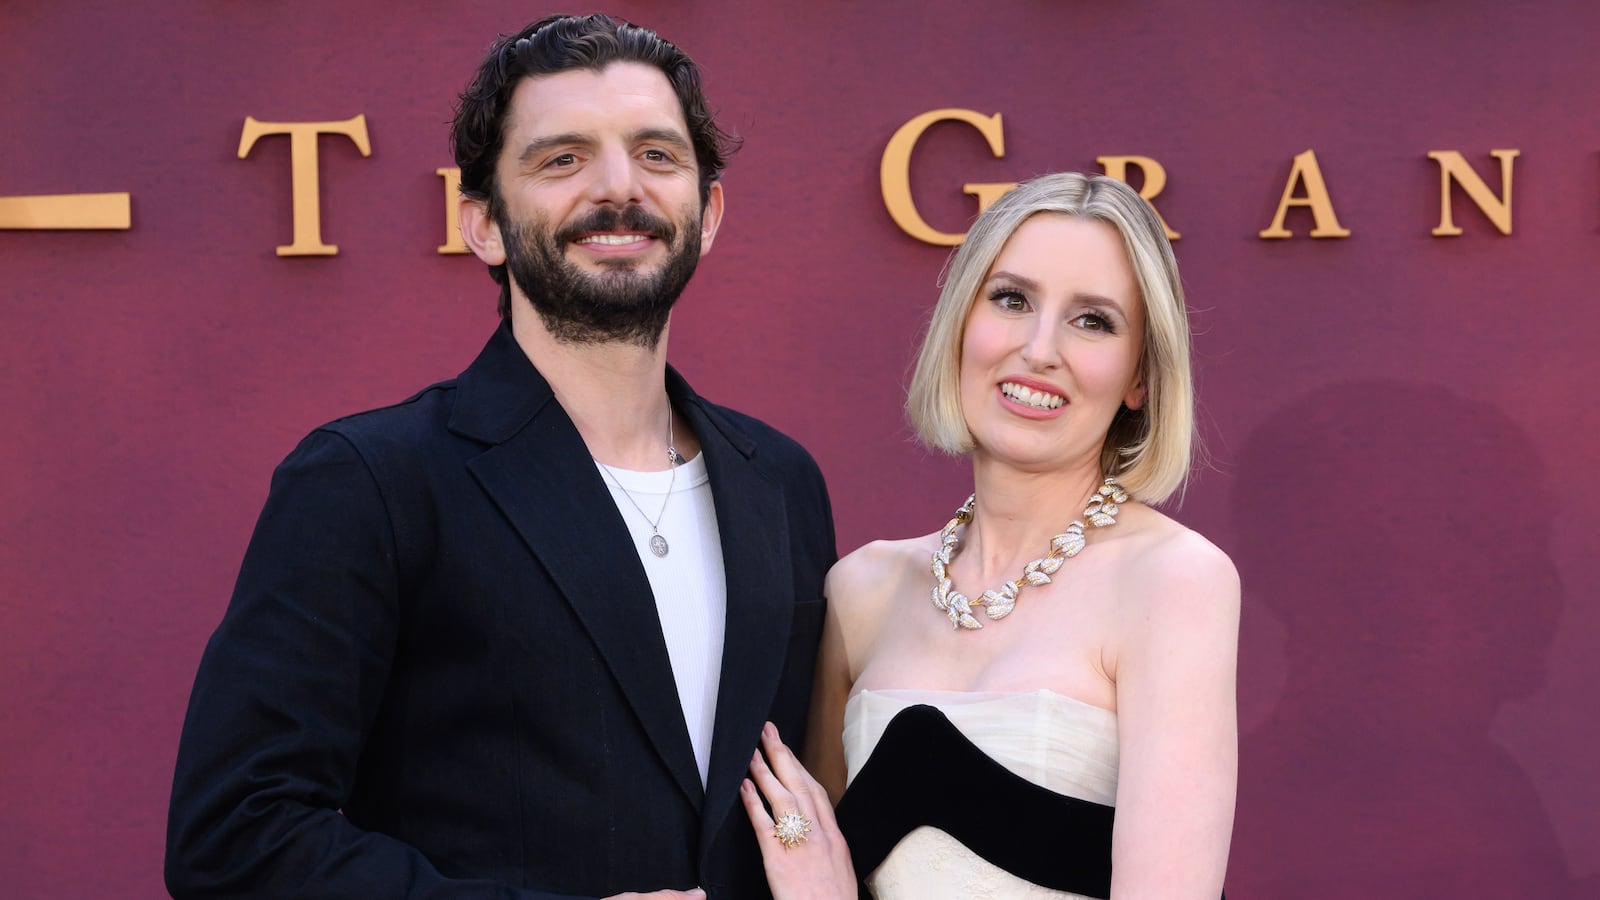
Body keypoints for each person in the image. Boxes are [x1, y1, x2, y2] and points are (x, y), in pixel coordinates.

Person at [165, 14, 835, 900]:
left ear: (707, 214)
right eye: (563, 159)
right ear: (483, 224)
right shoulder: (371, 480)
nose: (619, 187)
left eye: (656, 154)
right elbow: (235, 837)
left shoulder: (780, 481)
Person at [741, 173, 1238, 898]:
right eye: (1011, 300)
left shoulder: (1171, 580)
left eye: (1093, 320)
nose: (1040, 349)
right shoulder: (862, 591)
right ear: (961, 324)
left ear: (1140, 378)